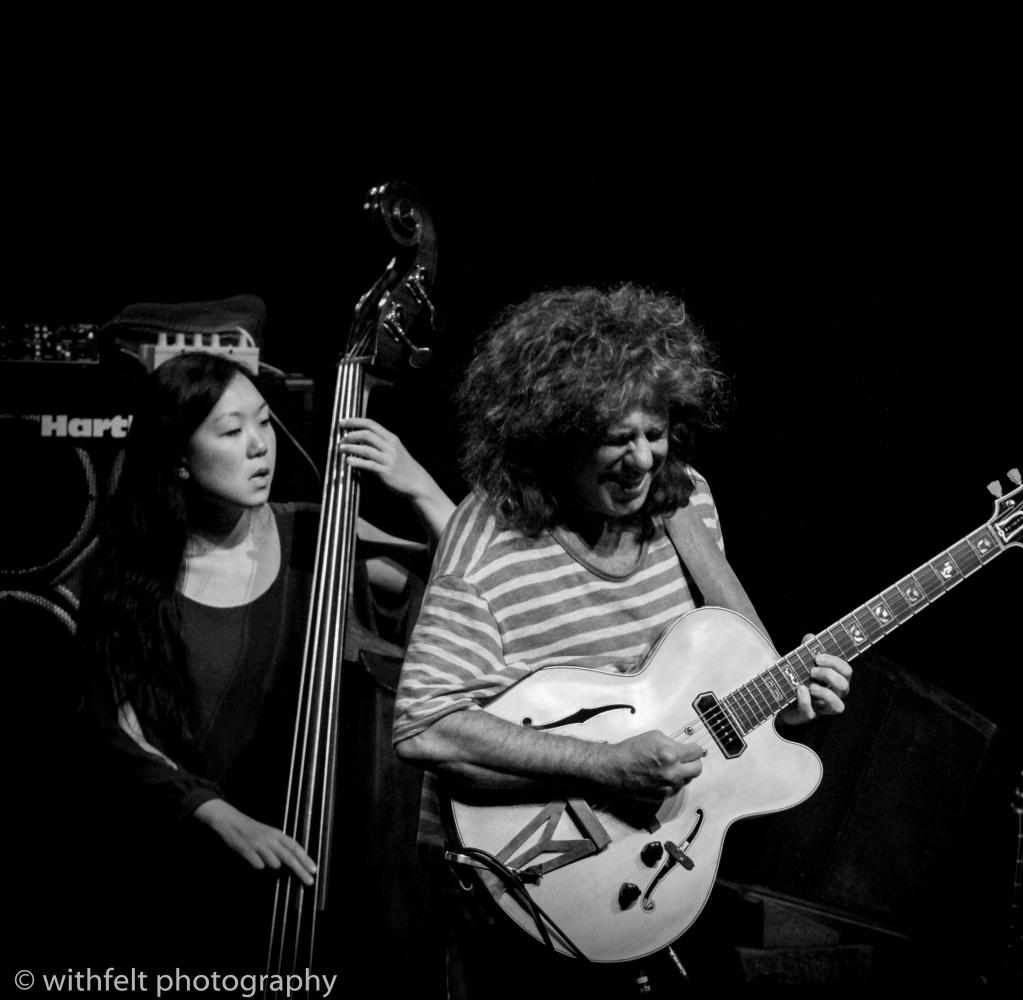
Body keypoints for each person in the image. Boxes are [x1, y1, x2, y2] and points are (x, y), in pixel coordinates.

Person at [392, 284, 853, 998]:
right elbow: (425, 727)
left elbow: (701, 694)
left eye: (655, 432)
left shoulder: (687, 501)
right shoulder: (491, 535)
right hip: (516, 878)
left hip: (654, 867)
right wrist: (603, 765)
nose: (642, 461)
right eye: (616, 437)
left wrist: (781, 709)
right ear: (553, 433)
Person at [75, 350, 455, 973]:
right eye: (231, 431)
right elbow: (116, 730)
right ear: (177, 458)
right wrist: (220, 816)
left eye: (264, 422)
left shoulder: (316, 537)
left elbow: (464, 570)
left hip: (319, 862)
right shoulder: (129, 574)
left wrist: (416, 482)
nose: (260, 446)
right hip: (182, 869)